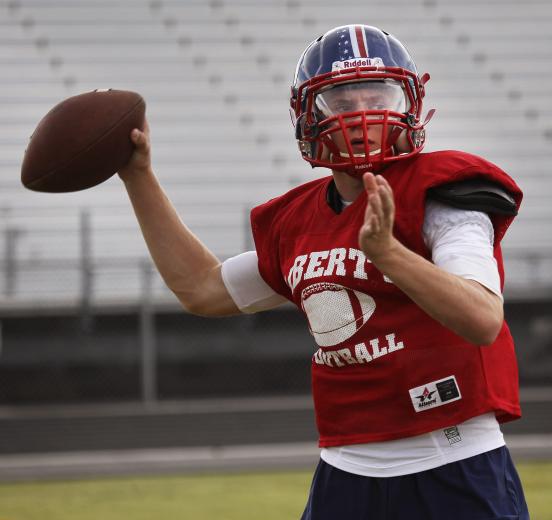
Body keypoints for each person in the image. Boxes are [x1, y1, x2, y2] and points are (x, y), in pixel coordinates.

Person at [118, 24, 529, 520]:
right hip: (344, 470)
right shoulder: (296, 220)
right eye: (341, 98)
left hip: (453, 460)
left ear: (409, 101)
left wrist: (389, 255)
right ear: (307, 114)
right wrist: (137, 176)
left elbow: (483, 317)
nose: (362, 112)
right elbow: (201, 289)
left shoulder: (441, 194)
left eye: (377, 92)